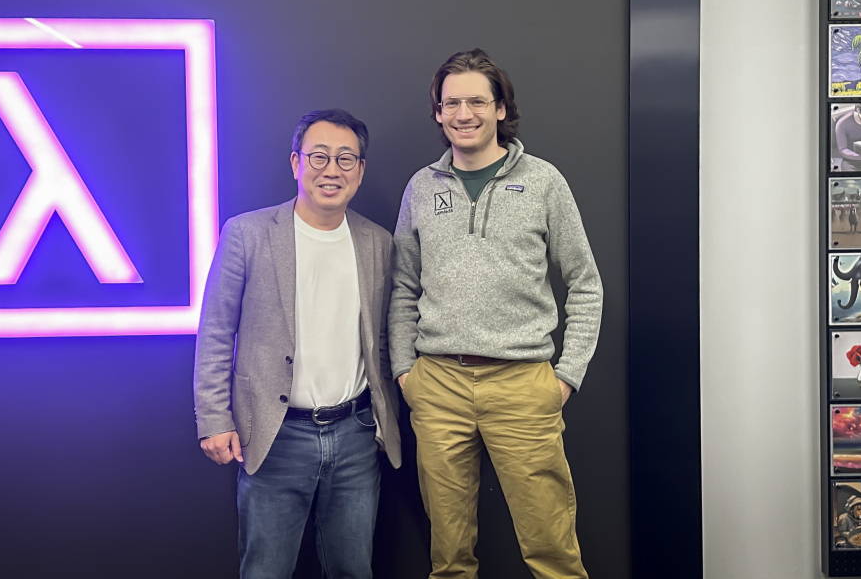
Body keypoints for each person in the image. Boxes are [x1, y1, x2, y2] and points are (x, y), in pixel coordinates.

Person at [389, 49, 603, 579]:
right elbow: (401, 287)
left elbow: (585, 283)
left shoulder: (543, 181)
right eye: (451, 102)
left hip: (522, 385)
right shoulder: (421, 187)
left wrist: (566, 377)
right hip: (437, 384)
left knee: (552, 549)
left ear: (501, 108)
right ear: (438, 113)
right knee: (449, 557)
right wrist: (404, 373)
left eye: (477, 101)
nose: (464, 113)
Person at [194, 109, 401, 579]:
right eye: (320, 157)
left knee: (353, 569)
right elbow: (216, 332)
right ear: (295, 163)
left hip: (355, 436)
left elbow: (385, 339)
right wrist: (213, 419)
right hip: (272, 436)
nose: (333, 170)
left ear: (361, 170)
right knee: (265, 570)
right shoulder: (247, 235)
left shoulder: (379, 243)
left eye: (346, 159)